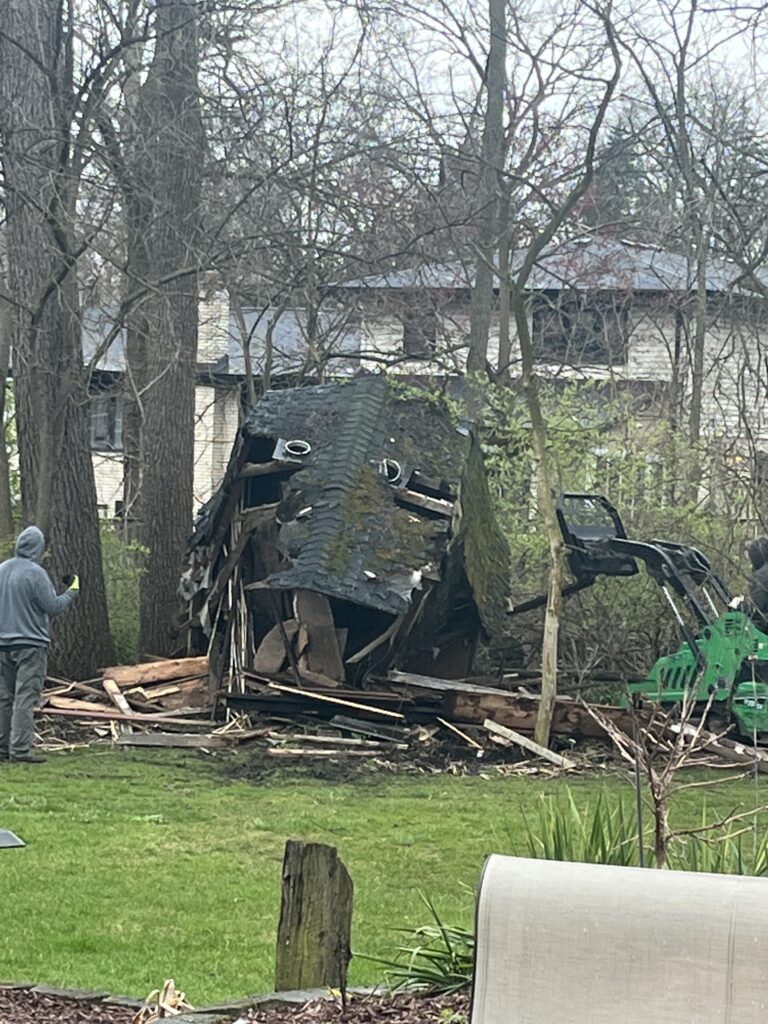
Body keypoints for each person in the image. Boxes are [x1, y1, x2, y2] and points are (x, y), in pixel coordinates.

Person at [0, 527, 79, 764]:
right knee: (25, 697)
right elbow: (53, 606)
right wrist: (72, 590)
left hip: (2, 644)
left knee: (4, 698)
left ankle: (2, 749)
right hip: (30, 645)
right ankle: (20, 751)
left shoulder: (2, 570)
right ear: (38, 548)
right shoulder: (35, 573)